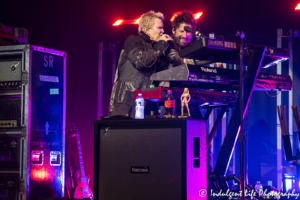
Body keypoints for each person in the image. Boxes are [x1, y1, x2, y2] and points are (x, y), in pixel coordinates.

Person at [109, 11, 173, 118]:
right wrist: (161, 45)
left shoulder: (155, 48)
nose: (163, 31)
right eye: (159, 28)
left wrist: (169, 49)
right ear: (147, 29)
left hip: (145, 103)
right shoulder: (133, 40)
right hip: (125, 103)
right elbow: (142, 61)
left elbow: (163, 73)